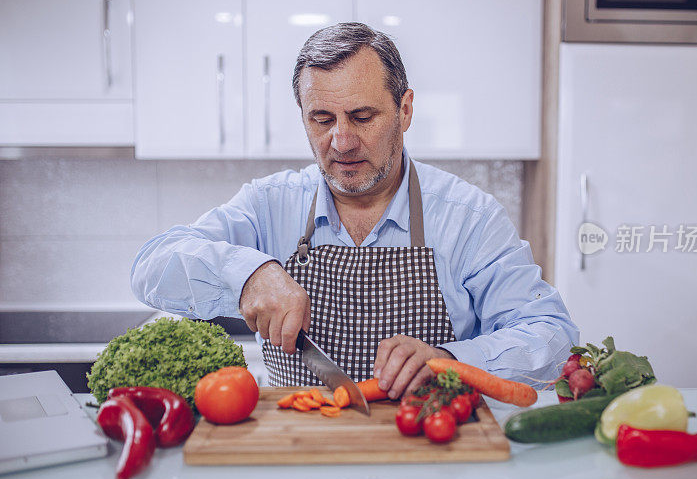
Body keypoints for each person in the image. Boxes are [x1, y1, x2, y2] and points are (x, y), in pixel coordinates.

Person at [131, 22, 578, 399]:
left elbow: (552, 335)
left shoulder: (468, 218)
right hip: (298, 444)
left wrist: (451, 361)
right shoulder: (269, 205)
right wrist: (245, 273)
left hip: (431, 450)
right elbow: (151, 266)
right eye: (322, 119)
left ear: (404, 110)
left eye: (362, 117)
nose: (341, 142)